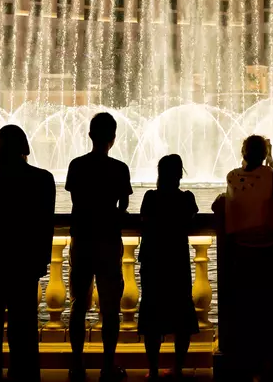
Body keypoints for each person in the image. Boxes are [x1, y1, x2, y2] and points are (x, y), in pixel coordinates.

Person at [0, 125, 55, 382]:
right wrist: (42, 260)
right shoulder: (42, 179)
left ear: (2, 147)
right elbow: (44, 224)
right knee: (24, 326)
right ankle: (25, 376)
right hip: (24, 262)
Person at [66, 112, 132, 382]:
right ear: (113, 138)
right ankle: (107, 365)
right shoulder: (119, 168)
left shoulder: (76, 165)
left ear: (90, 135)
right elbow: (124, 206)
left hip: (82, 240)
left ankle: (77, 365)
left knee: (78, 304)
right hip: (107, 240)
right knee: (110, 307)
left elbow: (76, 200)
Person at [218, 134, 273, 378]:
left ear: (243, 152)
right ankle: (269, 361)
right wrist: (271, 159)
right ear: (264, 153)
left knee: (246, 308)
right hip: (270, 250)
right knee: (269, 308)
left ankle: (248, 359)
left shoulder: (232, 176)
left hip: (242, 251)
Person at [138, 154, 199, 379]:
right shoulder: (186, 198)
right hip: (176, 260)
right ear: (179, 174)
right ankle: (178, 368)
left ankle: (153, 369)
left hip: (153, 260)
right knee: (181, 311)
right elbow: (192, 217)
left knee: (152, 312)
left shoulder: (150, 197)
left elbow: (144, 219)